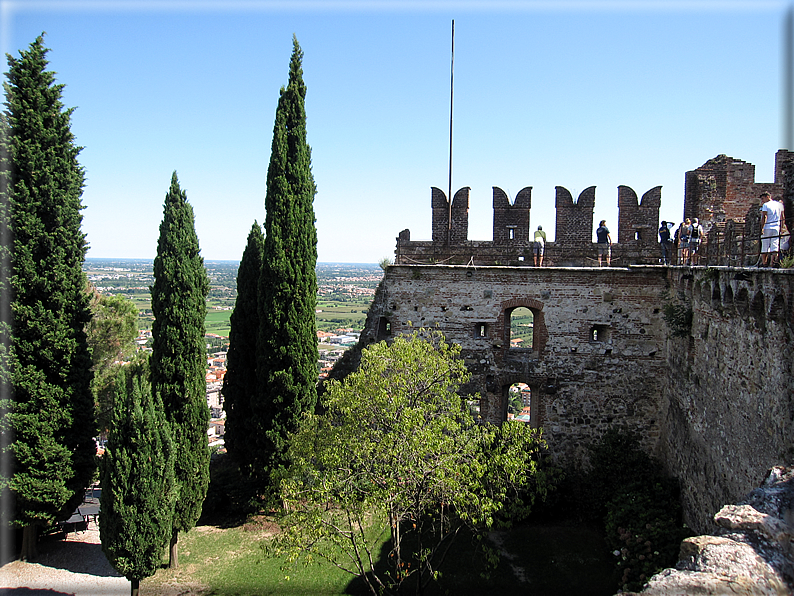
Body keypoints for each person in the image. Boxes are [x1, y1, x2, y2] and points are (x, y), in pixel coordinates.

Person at [759, 192, 784, 267]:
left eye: (763, 199)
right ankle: (774, 262)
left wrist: (762, 228)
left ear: (767, 197)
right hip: (776, 227)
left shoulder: (766, 205)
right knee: (775, 244)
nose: (762, 201)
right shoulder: (779, 204)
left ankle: (764, 263)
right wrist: (781, 228)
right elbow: (782, 217)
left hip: (767, 227)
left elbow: (764, 217)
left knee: (765, 245)